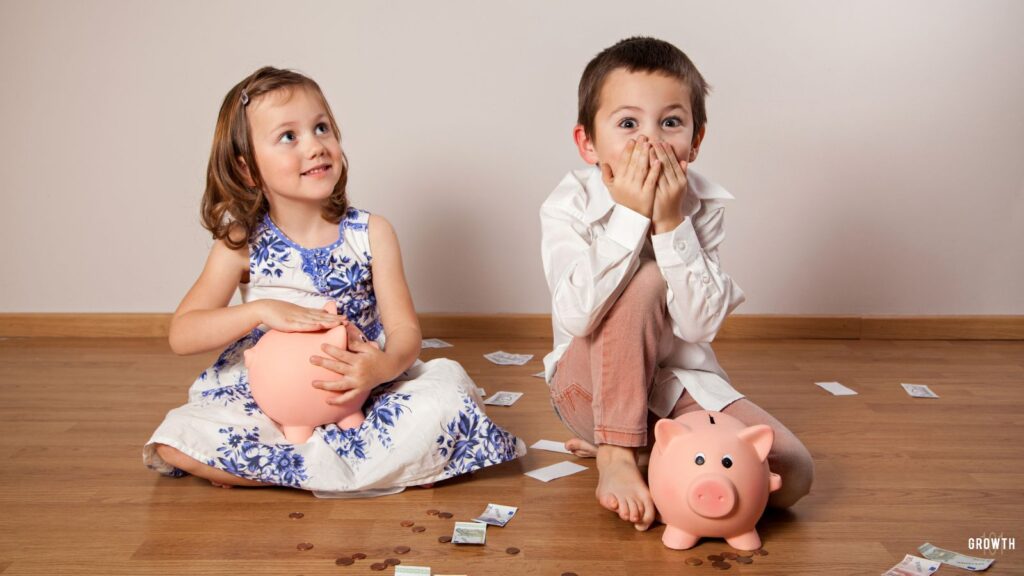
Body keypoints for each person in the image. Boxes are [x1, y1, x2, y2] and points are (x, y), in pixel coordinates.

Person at [144, 66, 524, 492]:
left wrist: (381, 367)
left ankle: (285, 469)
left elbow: (404, 330)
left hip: (365, 392)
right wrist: (260, 310)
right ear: (248, 169)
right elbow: (183, 334)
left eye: (321, 127)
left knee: (449, 394)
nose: (315, 146)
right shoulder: (241, 243)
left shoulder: (372, 232)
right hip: (271, 402)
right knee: (176, 439)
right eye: (289, 136)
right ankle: (333, 466)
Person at [540, 37, 813, 530]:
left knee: (791, 474)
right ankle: (617, 452)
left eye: (670, 123)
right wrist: (628, 217)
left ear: (696, 139)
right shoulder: (567, 207)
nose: (650, 141)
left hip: (675, 388)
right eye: (627, 124)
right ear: (588, 144)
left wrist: (670, 224)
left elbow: (699, 325)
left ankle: (654, 459)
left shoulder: (701, 207)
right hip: (588, 387)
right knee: (644, 279)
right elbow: (576, 315)